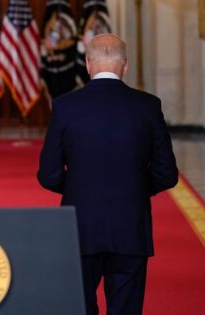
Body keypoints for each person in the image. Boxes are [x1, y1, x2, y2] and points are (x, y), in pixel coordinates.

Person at [37, 34, 178, 315]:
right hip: (130, 226)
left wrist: (79, 188)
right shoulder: (148, 105)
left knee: (80, 307)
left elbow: (48, 175)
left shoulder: (65, 106)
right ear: (125, 66)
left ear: (88, 64)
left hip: (80, 225)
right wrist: (135, 188)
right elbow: (167, 173)